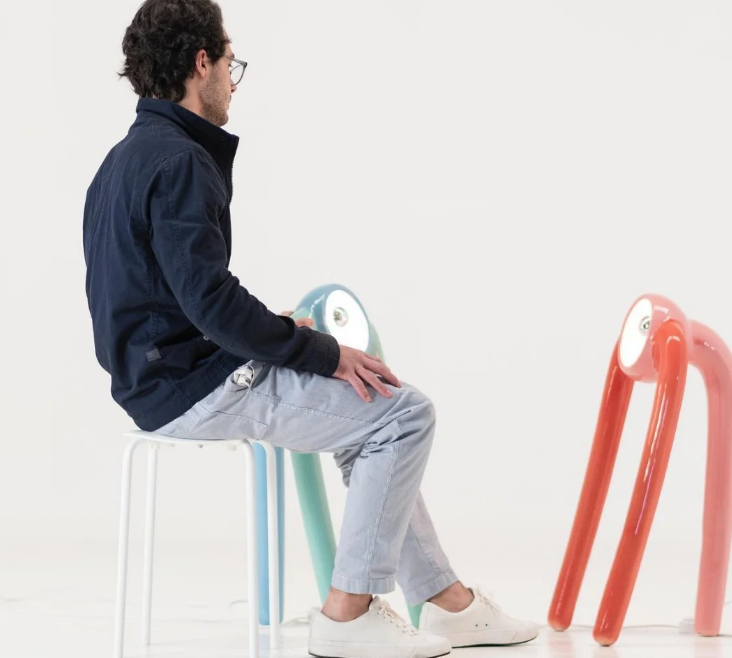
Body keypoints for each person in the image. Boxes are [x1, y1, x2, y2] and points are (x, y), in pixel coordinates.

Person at [82, 1, 539, 656]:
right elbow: (208, 300)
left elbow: (162, 296)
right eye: (229, 63)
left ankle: (448, 604)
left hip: (155, 381)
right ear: (201, 62)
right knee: (403, 417)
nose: (232, 80)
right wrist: (319, 351)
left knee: (375, 413)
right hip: (192, 386)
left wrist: (271, 331)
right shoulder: (180, 161)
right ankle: (347, 614)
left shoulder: (120, 161)